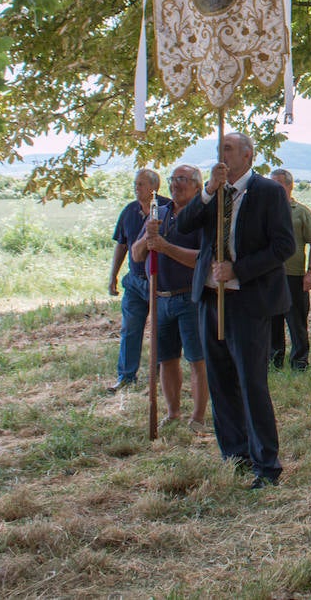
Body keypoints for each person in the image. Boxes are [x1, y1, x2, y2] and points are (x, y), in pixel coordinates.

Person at [176, 133, 296, 489]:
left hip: (247, 301)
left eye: (227, 149)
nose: (221, 155)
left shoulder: (268, 192)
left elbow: (284, 246)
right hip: (211, 299)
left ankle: (266, 465)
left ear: (248, 154)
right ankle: (235, 455)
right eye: (219, 150)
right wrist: (209, 190)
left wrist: (238, 269)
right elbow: (184, 226)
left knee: (250, 383)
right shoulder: (215, 192)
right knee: (220, 380)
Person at [134, 165, 207, 431]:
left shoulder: (201, 216)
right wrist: (148, 239)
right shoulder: (159, 214)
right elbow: (136, 254)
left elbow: (203, 259)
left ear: (197, 186)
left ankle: (197, 417)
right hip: (160, 297)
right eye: (173, 179)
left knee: (197, 359)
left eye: (183, 180)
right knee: (166, 358)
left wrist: (165, 247)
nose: (176, 184)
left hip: (190, 297)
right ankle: (173, 412)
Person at [107, 169, 168, 393]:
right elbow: (121, 244)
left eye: (141, 184)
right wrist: (113, 274)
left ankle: (162, 377)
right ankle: (126, 376)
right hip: (134, 281)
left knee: (161, 330)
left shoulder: (166, 209)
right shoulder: (130, 211)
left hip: (160, 282)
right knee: (130, 328)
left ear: (154, 187)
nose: (136, 187)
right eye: (135, 183)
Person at [268, 169, 311, 371]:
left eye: (279, 184)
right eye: (271, 184)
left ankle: (299, 362)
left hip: (295, 276)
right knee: (272, 321)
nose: (274, 188)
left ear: (290, 186)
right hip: (270, 276)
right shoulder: (264, 210)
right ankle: (274, 361)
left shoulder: (300, 212)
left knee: (297, 322)